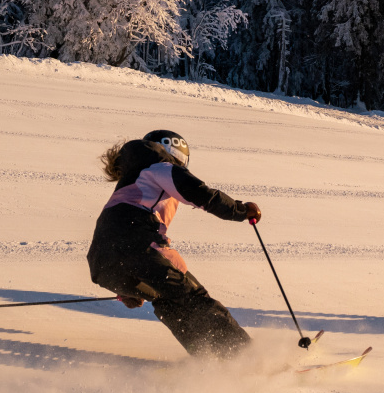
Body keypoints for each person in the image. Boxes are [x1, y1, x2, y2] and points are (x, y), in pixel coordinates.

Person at [87, 129, 261, 357]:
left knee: (167, 301)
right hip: (136, 248)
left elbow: (117, 240)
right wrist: (240, 210)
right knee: (194, 298)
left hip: (102, 264)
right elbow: (199, 194)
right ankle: (247, 360)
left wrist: (127, 287)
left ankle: (210, 357)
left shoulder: (134, 179)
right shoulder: (159, 166)